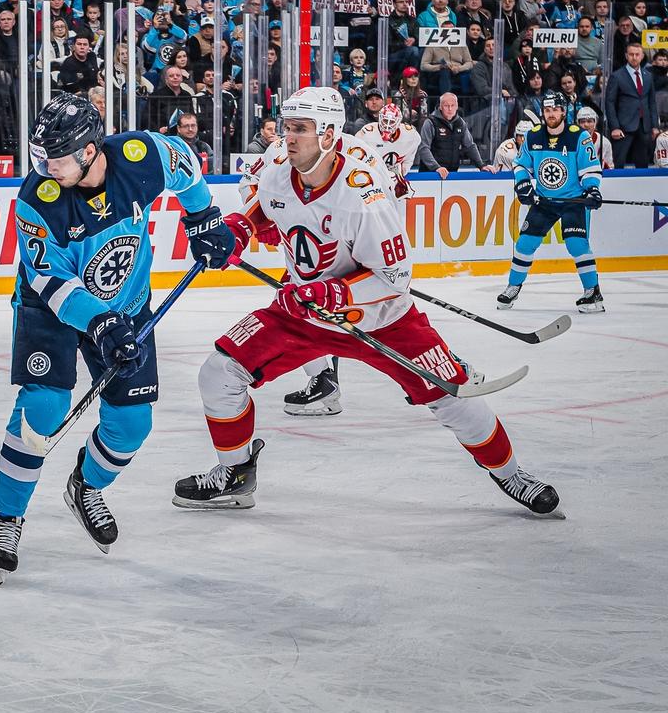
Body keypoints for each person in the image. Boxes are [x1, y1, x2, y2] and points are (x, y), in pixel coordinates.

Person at [171, 86, 561, 519]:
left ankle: (510, 473)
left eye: (300, 129)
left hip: (381, 318)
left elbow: (396, 278)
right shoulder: (280, 168)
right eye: (287, 127)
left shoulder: (363, 196)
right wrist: (235, 231)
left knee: (452, 396)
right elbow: (265, 209)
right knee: (219, 373)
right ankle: (235, 474)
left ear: (328, 135)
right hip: (305, 312)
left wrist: (333, 292)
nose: (288, 138)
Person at [0, 93, 234, 584]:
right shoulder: (37, 199)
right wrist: (99, 322)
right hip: (51, 309)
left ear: (89, 150)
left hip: (126, 305)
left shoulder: (141, 156)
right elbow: (50, 279)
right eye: (41, 157)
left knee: (132, 424)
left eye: (56, 158)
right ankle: (7, 517)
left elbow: (185, 165)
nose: (45, 168)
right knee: (43, 410)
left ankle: (86, 485)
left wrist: (203, 220)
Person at [497, 92, 605, 314]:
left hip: (573, 200)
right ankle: (513, 287)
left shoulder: (579, 136)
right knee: (524, 244)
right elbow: (520, 164)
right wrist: (523, 184)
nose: (551, 114)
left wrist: (592, 189)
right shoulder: (533, 135)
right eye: (547, 110)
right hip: (544, 200)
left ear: (563, 111)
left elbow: (590, 169)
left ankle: (592, 291)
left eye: (555, 110)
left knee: (577, 245)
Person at [419, 94, 496, 178]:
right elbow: (424, 148)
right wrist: (436, 167)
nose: (450, 109)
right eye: (446, 106)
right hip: (430, 174)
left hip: (452, 174)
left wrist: (481, 165)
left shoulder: (460, 123)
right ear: (440, 107)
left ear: (457, 107)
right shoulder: (430, 122)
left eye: (452, 105)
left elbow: (470, 146)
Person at [604, 42, 655, 168]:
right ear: (626, 56)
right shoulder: (616, 76)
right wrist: (614, 127)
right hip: (623, 127)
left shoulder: (648, 76)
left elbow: (652, 102)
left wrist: (654, 126)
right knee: (618, 163)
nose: (634, 57)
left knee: (643, 164)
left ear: (642, 56)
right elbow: (610, 103)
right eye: (631, 54)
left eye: (637, 54)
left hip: (644, 126)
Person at [356, 102, 421, 197]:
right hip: (371, 178)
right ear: (380, 118)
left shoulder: (411, 136)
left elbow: (408, 160)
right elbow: (357, 159)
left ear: (398, 122)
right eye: (385, 120)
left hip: (394, 179)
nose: (387, 125)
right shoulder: (367, 134)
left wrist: (400, 175)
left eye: (391, 122)